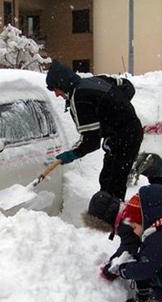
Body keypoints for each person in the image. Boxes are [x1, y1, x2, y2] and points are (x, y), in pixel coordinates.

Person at [46, 60, 143, 201]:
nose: (56, 94)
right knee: (110, 178)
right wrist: (115, 108)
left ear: (62, 84)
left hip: (124, 137)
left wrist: (72, 154)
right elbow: (128, 86)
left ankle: (110, 216)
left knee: (112, 183)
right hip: (129, 132)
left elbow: (91, 141)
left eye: (55, 89)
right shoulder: (95, 81)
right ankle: (110, 211)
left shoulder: (79, 99)